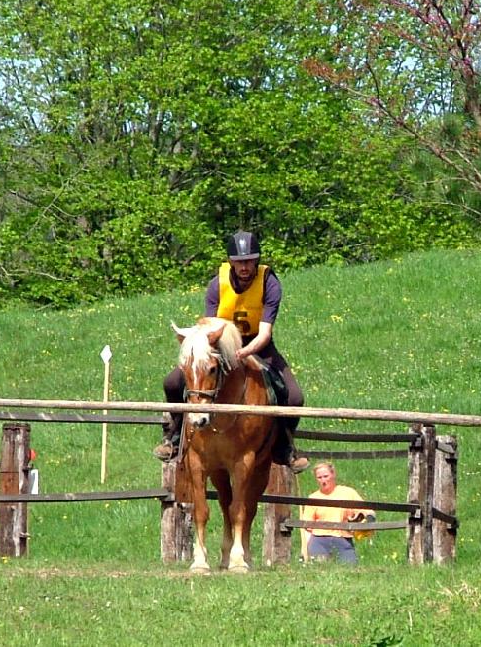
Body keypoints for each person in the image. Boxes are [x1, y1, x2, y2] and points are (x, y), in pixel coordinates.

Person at [154, 230, 308, 473]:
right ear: (231, 262)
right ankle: (173, 437)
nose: (244, 267)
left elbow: (265, 332)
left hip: (258, 345)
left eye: (249, 261)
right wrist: (219, 350)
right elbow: (209, 324)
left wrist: (244, 352)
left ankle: (284, 447)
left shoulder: (270, 283)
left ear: (256, 261)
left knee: (294, 397)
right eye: (239, 262)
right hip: (220, 345)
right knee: (173, 382)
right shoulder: (217, 284)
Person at [300, 461, 375, 564]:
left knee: (350, 569)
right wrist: (304, 550)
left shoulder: (348, 493)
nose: (323, 480)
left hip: (343, 539)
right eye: (319, 477)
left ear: (333, 474)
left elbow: (366, 510)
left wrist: (369, 518)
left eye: (326, 476)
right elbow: (307, 528)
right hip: (319, 539)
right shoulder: (313, 498)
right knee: (319, 569)